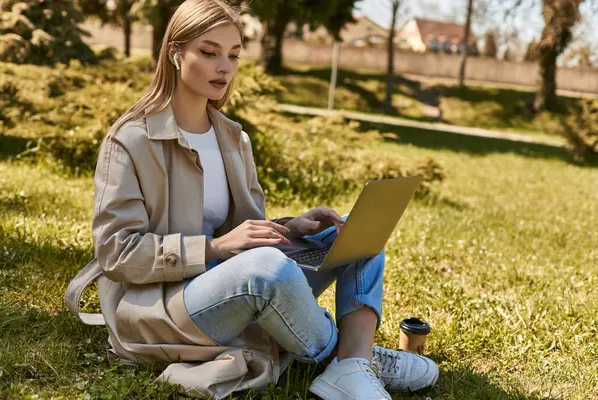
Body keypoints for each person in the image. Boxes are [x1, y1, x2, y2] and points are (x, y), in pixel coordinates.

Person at [65, 0, 439, 398]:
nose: (224, 67)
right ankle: (353, 359)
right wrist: (214, 248)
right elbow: (116, 253)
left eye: (234, 55)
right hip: (162, 306)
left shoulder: (233, 138)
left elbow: (244, 236)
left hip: (233, 282)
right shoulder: (130, 141)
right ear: (175, 54)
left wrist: (289, 227)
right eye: (209, 53)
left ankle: (353, 362)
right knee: (269, 271)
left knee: (360, 229)